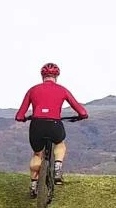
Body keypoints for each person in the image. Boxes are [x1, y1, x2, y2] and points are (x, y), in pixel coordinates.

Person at [15, 62, 88, 197]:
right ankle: (58, 168)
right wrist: (80, 117)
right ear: (57, 76)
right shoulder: (62, 90)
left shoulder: (33, 90)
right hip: (54, 124)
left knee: (37, 154)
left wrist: (24, 118)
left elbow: (19, 116)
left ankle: (33, 185)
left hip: (36, 125)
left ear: (42, 76)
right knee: (60, 143)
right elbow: (82, 112)